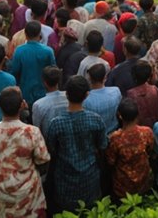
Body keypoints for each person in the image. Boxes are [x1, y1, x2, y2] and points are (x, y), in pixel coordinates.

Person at [0, 86, 50, 218]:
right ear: (22, 106)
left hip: (1, 194)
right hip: (29, 197)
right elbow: (43, 159)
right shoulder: (32, 131)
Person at [45, 75, 107, 213]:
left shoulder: (56, 123)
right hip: (90, 178)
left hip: (64, 180)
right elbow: (103, 146)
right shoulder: (96, 120)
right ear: (86, 95)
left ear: (66, 94)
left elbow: (51, 149)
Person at [105, 98, 155, 199]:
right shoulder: (146, 132)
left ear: (120, 116)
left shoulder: (115, 138)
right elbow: (150, 150)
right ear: (137, 115)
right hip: (143, 181)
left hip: (123, 187)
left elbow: (110, 161)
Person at [9, 20, 56, 107]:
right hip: (43, 93)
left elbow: (14, 72)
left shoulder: (19, 51)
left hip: (25, 94)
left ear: (25, 34)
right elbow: (53, 72)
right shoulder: (48, 51)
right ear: (40, 34)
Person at [83, 63, 122, 137]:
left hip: (96, 137)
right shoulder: (116, 91)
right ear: (105, 77)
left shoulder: (86, 100)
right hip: (114, 133)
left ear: (90, 79)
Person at [31, 66, 69, 139]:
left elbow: (37, 130)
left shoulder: (38, 105)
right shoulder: (69, 96)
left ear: (44, 83)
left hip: (48, 144)